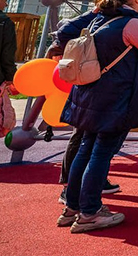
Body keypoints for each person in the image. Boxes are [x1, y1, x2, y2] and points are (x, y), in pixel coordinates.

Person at [57, 0, 138, 233]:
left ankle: (72, 206)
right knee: (101, 152)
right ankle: (90, 211)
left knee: (86, 149)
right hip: (115, 98)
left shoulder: (99, 20)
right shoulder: (132, 24)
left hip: (89, 94)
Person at [45, 11, 123, 203]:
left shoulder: (109, 19)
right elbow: (64, 33)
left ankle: (94, 181)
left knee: (91, 139)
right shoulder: (99, 16)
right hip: (87, 81)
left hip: (97, 82)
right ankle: (69, 188)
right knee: (82, 137)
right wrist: (95, 11)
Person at [0, 0, 17, 95]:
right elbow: (8, 52)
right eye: (5, 0)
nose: (6, 4)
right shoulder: (5, 23)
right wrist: (10, 76)